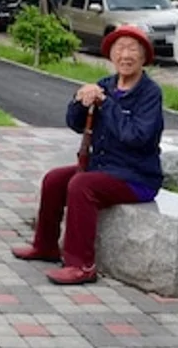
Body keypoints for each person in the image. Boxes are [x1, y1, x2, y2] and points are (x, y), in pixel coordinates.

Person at [11, 24, 165, 285]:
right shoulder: (106, 84)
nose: (125, 56)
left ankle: (82, 265)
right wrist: (79, 100)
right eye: (120, 49)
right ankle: (46, 245)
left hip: (136, 178)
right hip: (103, 168)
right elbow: (75, 124)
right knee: (54, 179)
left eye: (132, 50)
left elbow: (136, 137)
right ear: (111, 55)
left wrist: (106, 104)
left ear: (143, 57)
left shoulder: (150, 93)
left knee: (81, 185)